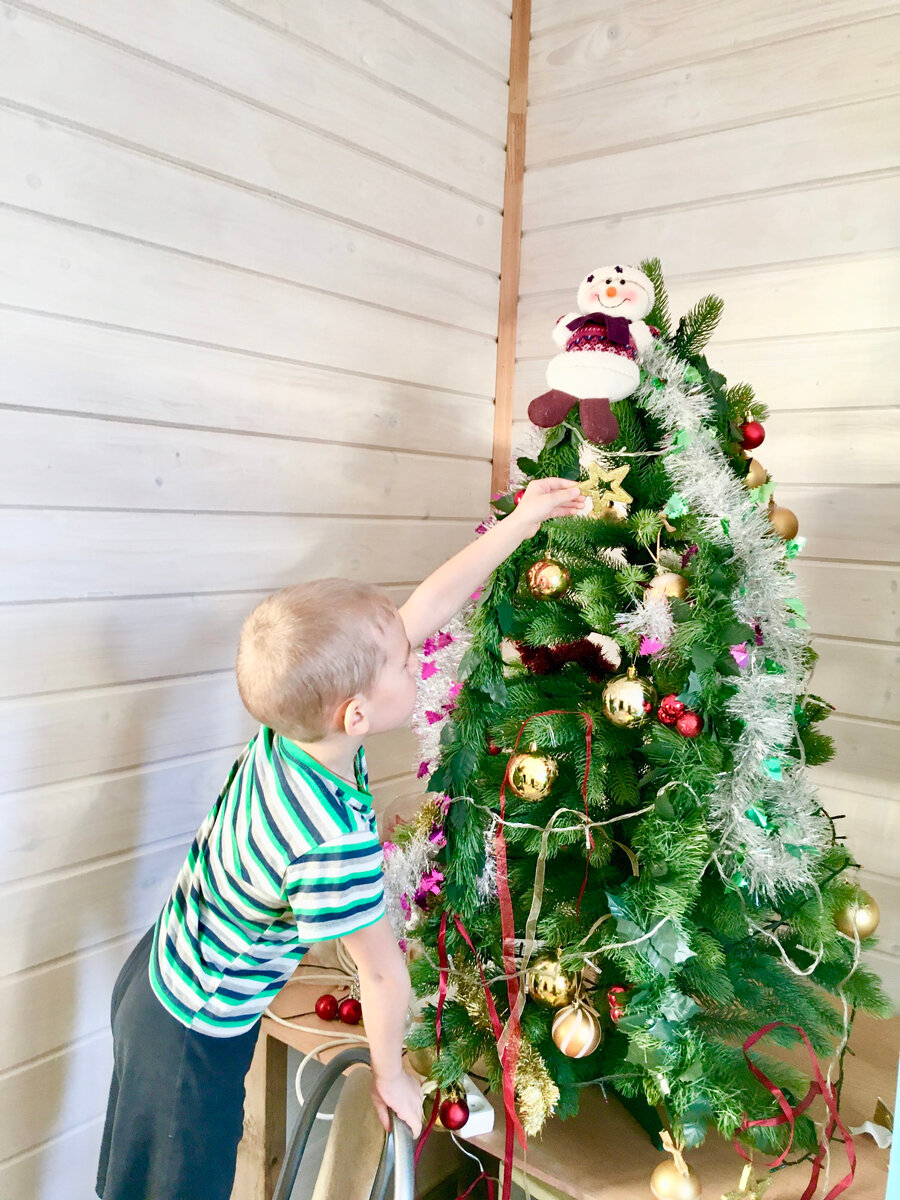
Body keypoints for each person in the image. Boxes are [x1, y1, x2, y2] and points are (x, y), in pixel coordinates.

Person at [96, 477, 585, 1200]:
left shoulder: (296, 729)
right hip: (192, 1034)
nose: (417, 661)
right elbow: (383, 975)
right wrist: (390, 1075)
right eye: (403, 665)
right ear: (357, 714)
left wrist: (527, 518)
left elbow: (424, 608)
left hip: (157, 972)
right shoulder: (327, 839)